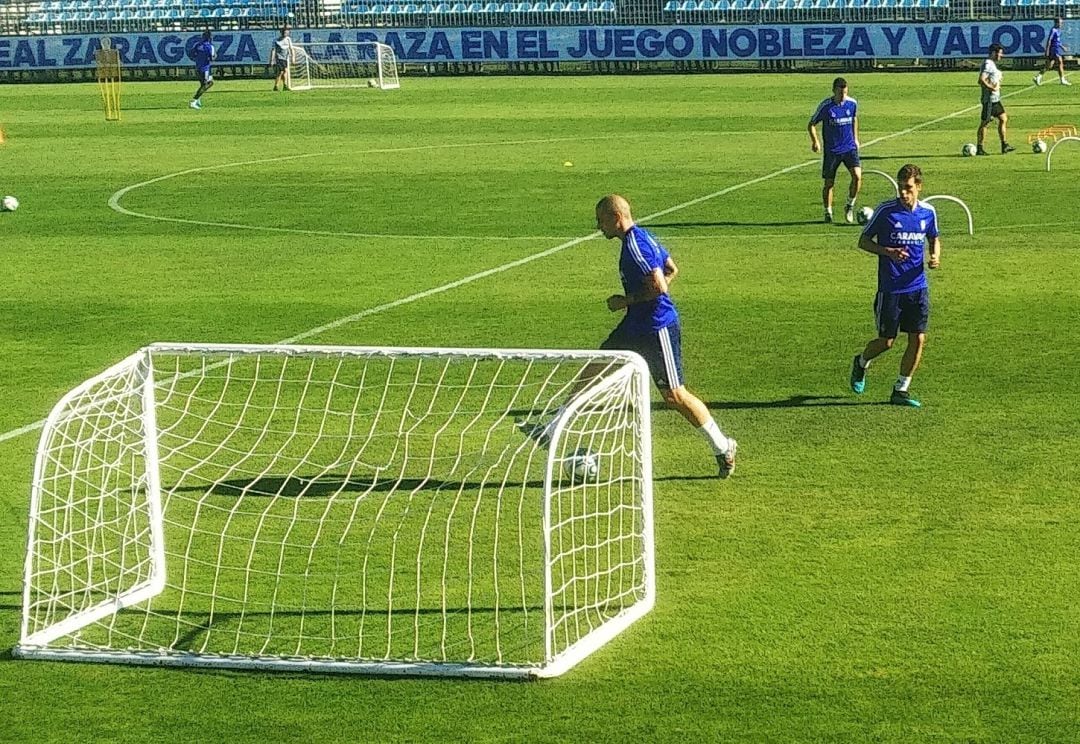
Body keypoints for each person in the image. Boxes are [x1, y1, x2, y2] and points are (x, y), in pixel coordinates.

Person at [520, 194, 737, 478]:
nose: (599, 227)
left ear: (616, 217)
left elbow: (660, 286)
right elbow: (671, 269)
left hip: (657, 328)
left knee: (674, 396)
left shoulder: (636, 246)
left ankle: (723, 447)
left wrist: (626, 301)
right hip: (635, 325)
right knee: (598, 365)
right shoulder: (642, 238)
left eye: (601, 220)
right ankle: (551, 429)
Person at [848, 164, 941, 408]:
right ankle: (861, 362)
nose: (903, 192)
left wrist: (935, 256)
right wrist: (887, 251)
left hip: (917, 288)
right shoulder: (886, 211)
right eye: (900, 187)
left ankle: (901, 388)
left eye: (908, 188)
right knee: (886, 341)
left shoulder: (928, 213)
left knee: (918, 338)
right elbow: (863, 241)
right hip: (890, 290)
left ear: (919, 187)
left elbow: (934, 237)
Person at [808, 77, 862, 224]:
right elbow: (811, 124)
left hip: (849, 148)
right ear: (834, 91)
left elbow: (854, 118)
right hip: (832, 151)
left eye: (845, 93)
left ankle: (850, 205)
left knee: (857, 176)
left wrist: (856, 138)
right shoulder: (826, 106)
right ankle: (828, 211)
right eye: (840, 93)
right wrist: (815, 141)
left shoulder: (852, 103)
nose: (842, 96)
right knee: (829, 183)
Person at [976, 43, 1015, 155]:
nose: (1001, 56)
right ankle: (979, 148)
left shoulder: (992, 64)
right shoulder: (988, 64)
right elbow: (981, 80)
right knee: (985, 123)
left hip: (995, 99)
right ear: (994, 53)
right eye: (1000, 53)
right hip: (989, 100)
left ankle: (1004, 145)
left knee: (1003, 118)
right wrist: (992, 88)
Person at [1034, 18, 1071, 86]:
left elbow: (1057, 41)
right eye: (1060, 23)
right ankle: (1062, 80)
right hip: (1054, 49)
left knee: (1049, 65)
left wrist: (1062, 47)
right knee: (1060, 62)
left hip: (1056, 48)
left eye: (1062, 23)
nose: (1061, 24)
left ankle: (1038, 77)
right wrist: (1047, 51)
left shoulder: (1058, 30)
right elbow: (1049, 40)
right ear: (1056, 23)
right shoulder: (1053, 30)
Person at [188, 30, 215, 110]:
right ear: (209, 38)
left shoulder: (198, 45)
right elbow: (212, 58)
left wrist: (198, 58)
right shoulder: (210, 47)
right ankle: (194, 101)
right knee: (208, 83)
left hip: (198, 67)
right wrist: (215, 56)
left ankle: (198, 100)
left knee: (203, 84)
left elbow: (191, 54)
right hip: (205, 68)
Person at [270, 27, 294, 92]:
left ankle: (282, 86)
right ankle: (278, 86)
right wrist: (272, 60)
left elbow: (291, 49)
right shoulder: (276, 40)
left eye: (286, 32)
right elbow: (273, 50)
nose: (285, 33)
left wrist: (293, 57)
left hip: (285, 58)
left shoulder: (288, 39)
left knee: (284, 71)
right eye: (284, 32)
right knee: (281, 72)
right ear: (281, 32)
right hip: (279, 58)